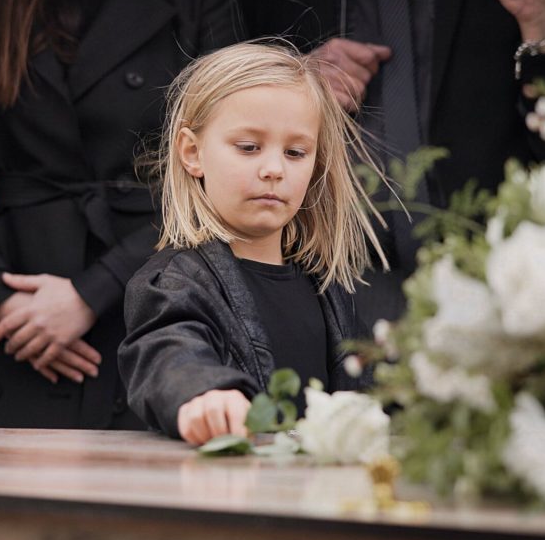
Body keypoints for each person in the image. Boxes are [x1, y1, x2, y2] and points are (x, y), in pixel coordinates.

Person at [0, 0, 237, 429]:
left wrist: (92, 293)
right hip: (10, 314)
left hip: (147, 300)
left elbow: (221, 172)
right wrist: (0, 300)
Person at [234, 0, 545, 326]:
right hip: (317, 288)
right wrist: (293, 85)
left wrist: (541, 37)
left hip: (501, 282)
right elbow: (221, 110)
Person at [118, 42, 384, 446]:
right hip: (226, 496)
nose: (274, 169)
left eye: (296, 152)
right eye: (249, 147)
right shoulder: (174, 282)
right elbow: (168, 352)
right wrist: (204, 393)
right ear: (193, 153)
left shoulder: (328, 288)